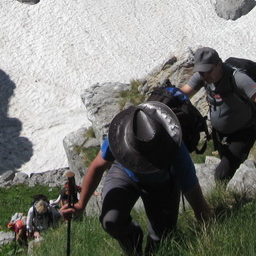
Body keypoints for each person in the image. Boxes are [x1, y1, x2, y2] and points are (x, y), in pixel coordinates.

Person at [60, 101, 210, 256]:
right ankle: (133, 244)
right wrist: (81, 205)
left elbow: (199, 204)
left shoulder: (177, 152)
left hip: (162, 184)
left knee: (162, 241)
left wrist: (209, 237)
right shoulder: (121, 133)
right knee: (111, 221)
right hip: (125, 172)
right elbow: (97, 167)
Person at [179, 46, 256, 181]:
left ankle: (229, 196)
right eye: (201, 72)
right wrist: (164, 96)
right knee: (227, 168)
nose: (204, 75)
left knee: (222, 175)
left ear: (219, 63)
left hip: (243, 133)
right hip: (220, 135)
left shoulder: (237, 78)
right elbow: (184, 93)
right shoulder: (203, 76)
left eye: (208, 71)